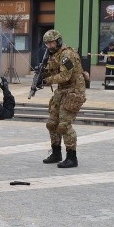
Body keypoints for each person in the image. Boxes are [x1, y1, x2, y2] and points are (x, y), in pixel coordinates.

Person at [39, 30, 87, 168]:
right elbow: (52, 70)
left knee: (64, 125)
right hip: (62, 90)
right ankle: (56, 153)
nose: (49, 46)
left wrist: (47, 80)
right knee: (51, 123)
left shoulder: (67, 55)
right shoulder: (53, 54)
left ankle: (72, 157)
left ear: (58, 41)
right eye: (47, 44)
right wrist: (42, 73)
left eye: (52, 43)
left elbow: (65, 76)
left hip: (73, 91)